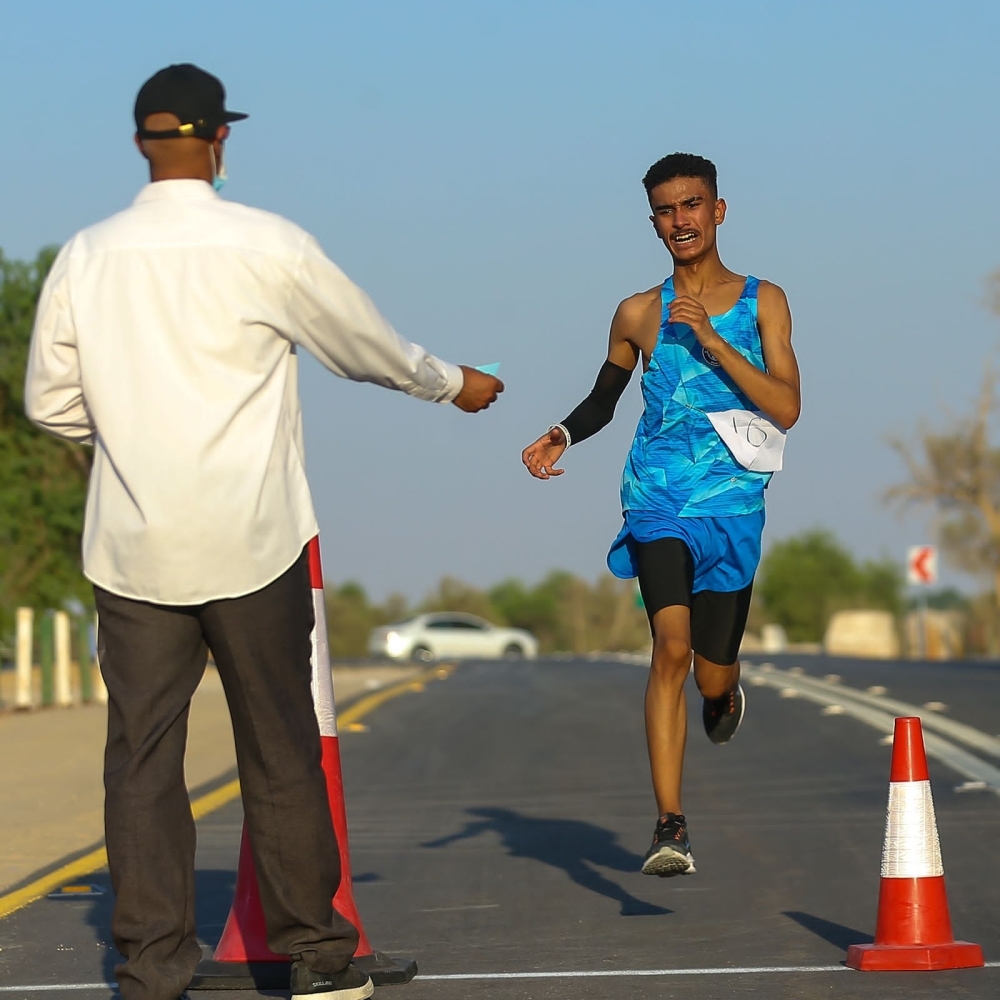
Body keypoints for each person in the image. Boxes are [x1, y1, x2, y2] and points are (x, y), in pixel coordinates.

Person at [24, 63, 503, 1000]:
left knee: (142, 761)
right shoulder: (266, 244)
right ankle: (318, 959)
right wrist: (452, 383)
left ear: (138, 143)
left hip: (133, 549)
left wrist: (128, 431)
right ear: (221, 140)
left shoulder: (87, 255)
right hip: (253, 540)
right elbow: (362, 345)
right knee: (279, 749)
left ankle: (152, 969)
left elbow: (49, 402)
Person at [521, 152, 800, 878]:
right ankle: (670, 824)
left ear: (718, 211)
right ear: (653, 222)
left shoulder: (763, 301)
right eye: (666, 210)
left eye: (692, 205)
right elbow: (604, 398)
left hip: (732, 504)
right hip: (656, 499)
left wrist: (712, 340)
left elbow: (786, 407)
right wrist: (561, 434)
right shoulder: (637, 313)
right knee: (670, 649)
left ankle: (724, 692)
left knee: (709, 675)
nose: (681, 220)